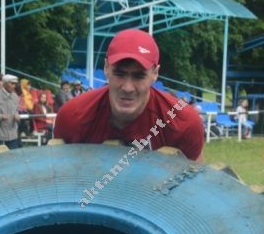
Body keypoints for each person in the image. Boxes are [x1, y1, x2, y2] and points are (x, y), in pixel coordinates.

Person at [53, 28, 204, 161]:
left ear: (155, 73)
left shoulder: (183, 123)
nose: (127, 87)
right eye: (119, 74)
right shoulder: (73, 116)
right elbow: (62, 182)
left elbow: (192, 188)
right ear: (106, 68)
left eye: (139, 76)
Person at [0, 74, 21, 150]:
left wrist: (17, 116)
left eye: (15, 84)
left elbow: (16, 111)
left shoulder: (16, 97)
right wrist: (0, 117)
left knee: (13, 159)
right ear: (5, 84)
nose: (14, 86)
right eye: (12, 83)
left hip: (13, 135)